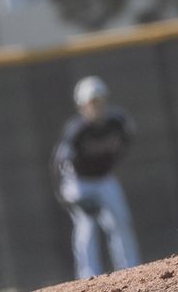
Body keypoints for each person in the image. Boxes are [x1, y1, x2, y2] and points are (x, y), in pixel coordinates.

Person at [52, 76, 141, 278]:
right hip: (80, 183)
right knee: (87, 228)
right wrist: (66, 195)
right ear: (82, 106)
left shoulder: (117, 122)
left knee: (121, 223)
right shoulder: (77, 131)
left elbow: (127, 138)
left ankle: (132, 271)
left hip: (104, 179)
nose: (97, 106)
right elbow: (59, 165)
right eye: (92, 103)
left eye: (100, 101)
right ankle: (88, 278)